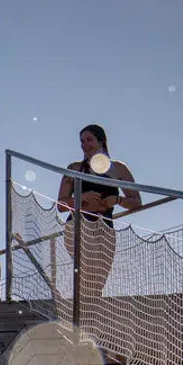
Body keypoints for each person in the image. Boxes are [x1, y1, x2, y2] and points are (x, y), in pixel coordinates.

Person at [57, 124, 141, 300]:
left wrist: (117, 200)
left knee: (98, 281)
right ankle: (80, 311)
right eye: (82, 141)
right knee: (87, 274)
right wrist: (81, 198)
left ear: (101, 141)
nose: (84, 145)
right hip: (79, 225)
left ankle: (88, 313)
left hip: (105, 227)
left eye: (89, 140)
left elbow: (136, 201)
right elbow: (61, 205)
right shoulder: (74, 168)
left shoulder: (118, 169)